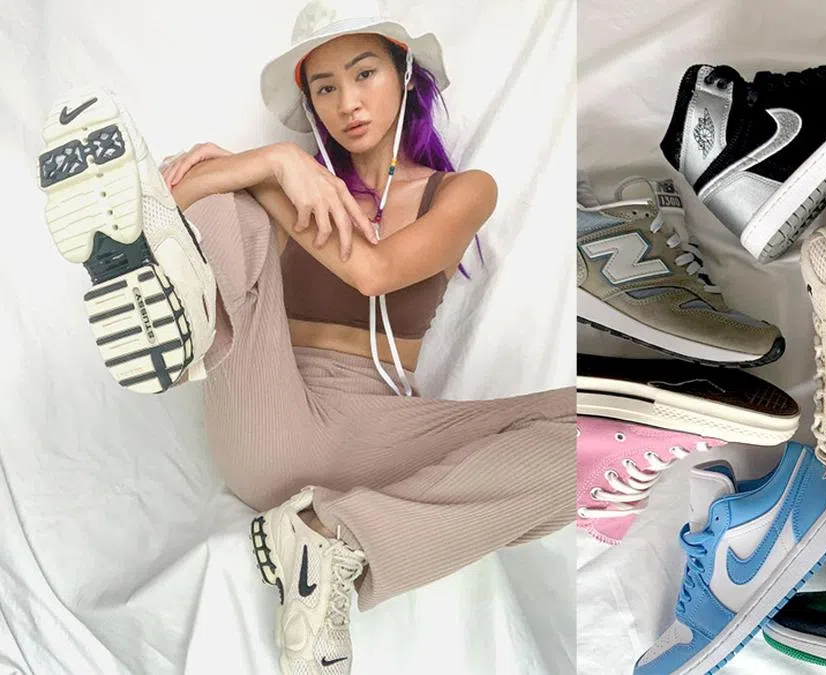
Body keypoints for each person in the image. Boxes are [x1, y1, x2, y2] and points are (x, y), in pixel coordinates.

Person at [34, 1, 574, 672]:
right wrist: (274, 163)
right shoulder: (298, 186)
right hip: (269, 401)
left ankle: (328, 539)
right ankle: (182, 312)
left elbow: (375, 272)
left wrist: (272, 176)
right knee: (217, 202)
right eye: (324, 88)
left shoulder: (463, 191)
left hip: (376, 431)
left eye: (364, 73)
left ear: (405, 74)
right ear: (311, 103)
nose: (347, 102)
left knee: (582, 431)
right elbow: (167, 196)